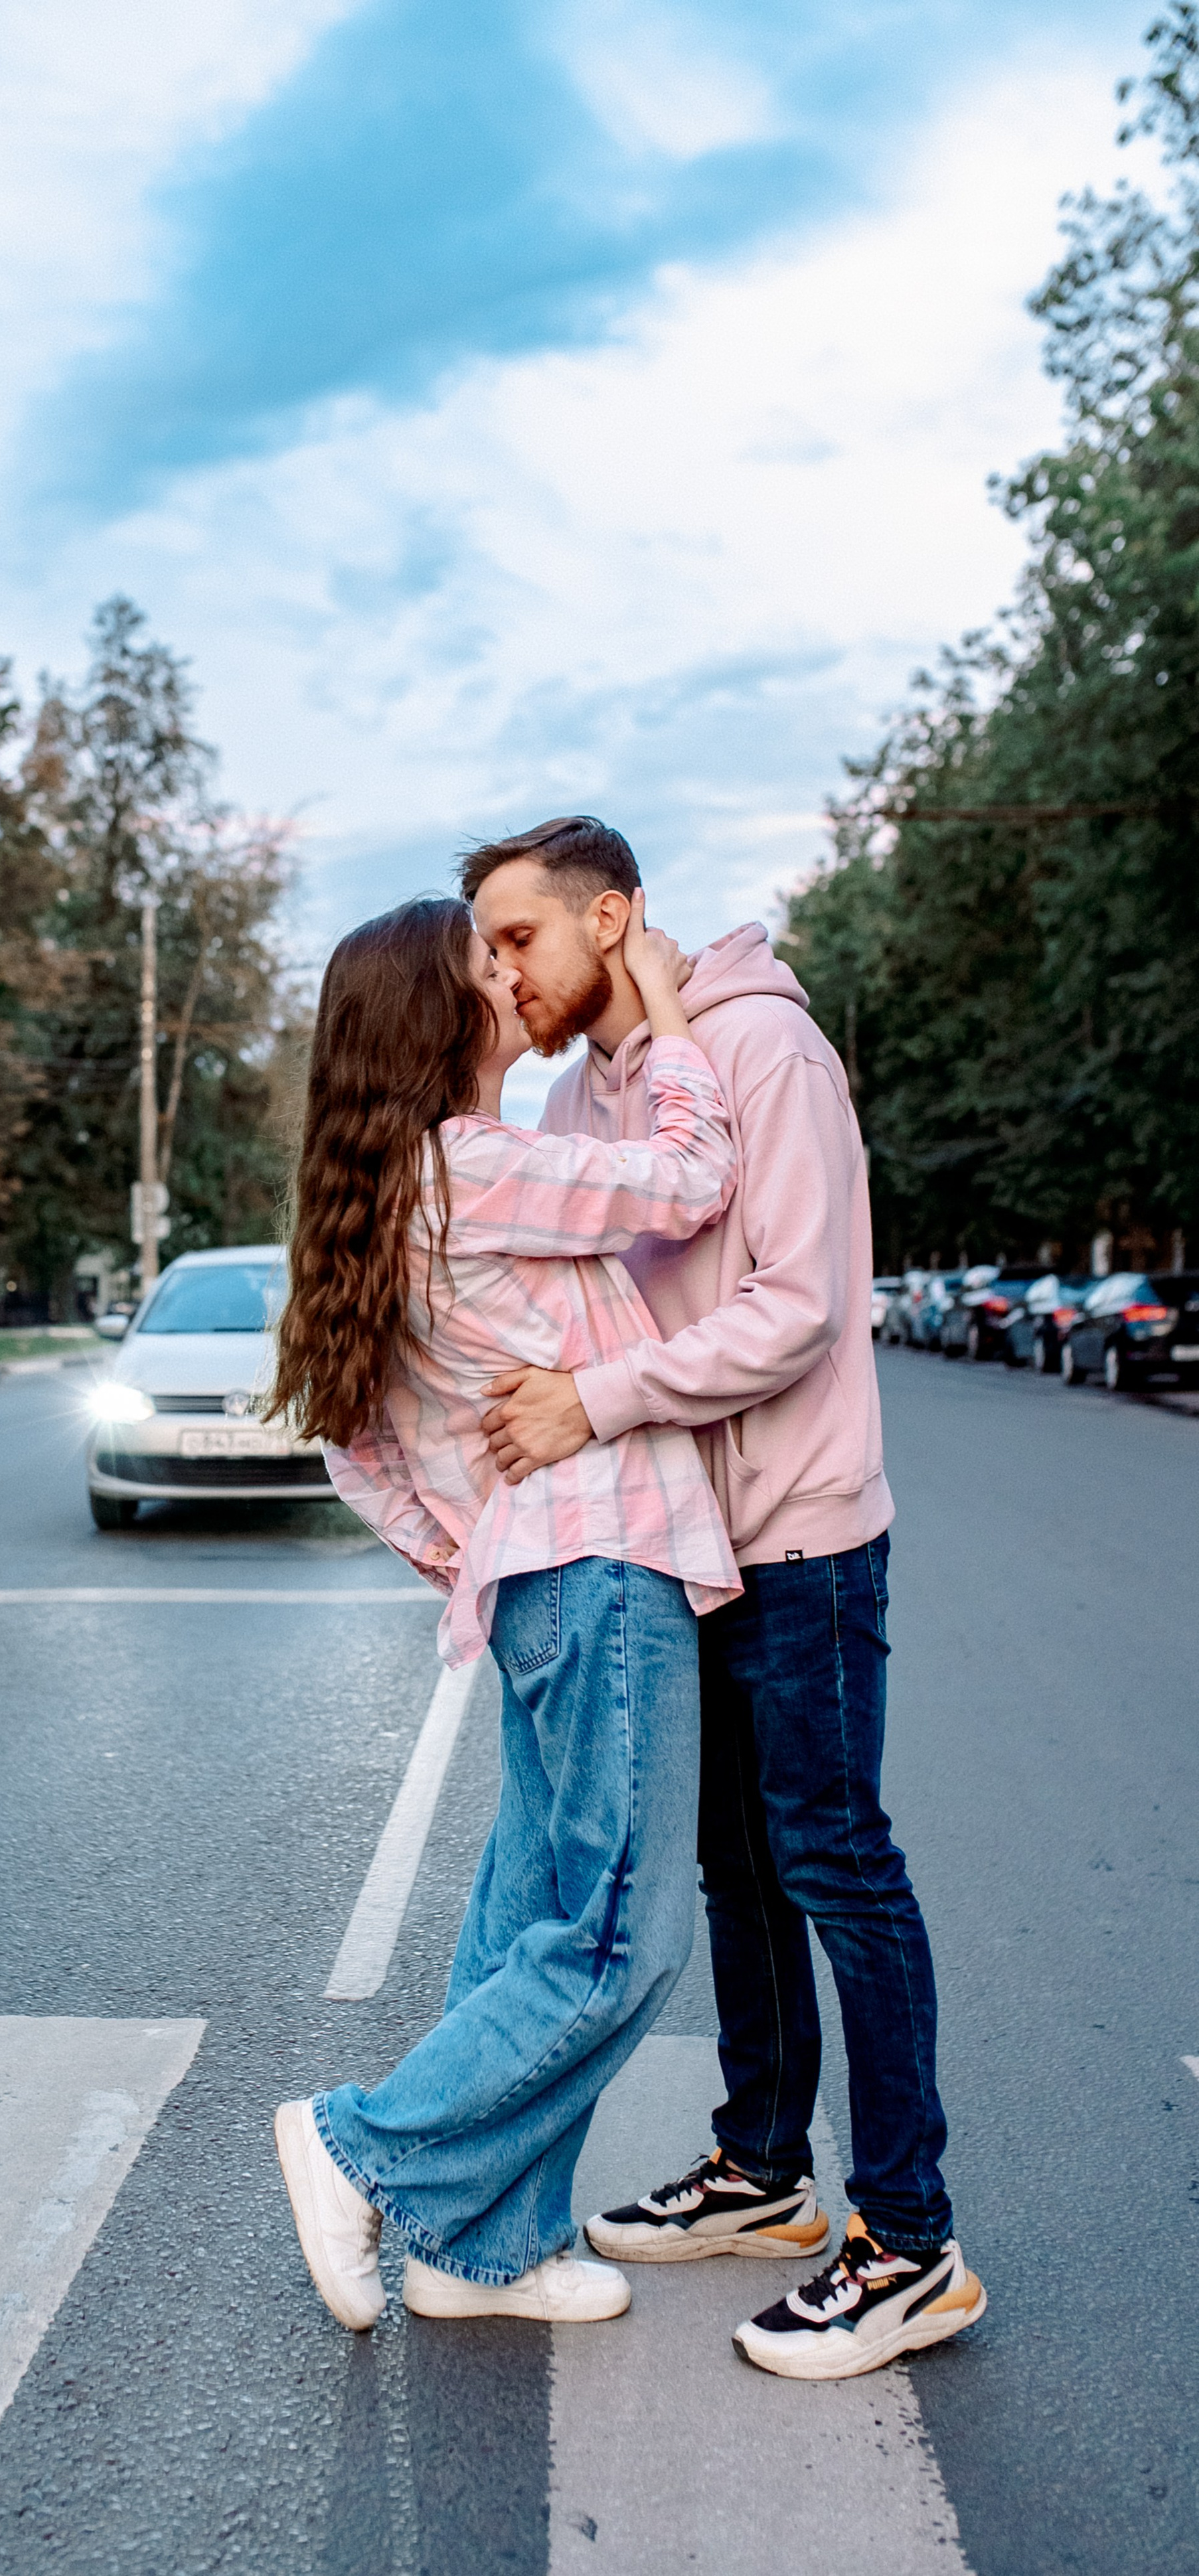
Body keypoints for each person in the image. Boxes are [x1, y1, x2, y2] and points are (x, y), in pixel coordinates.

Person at [469, 814, 986, 2382]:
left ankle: (909, 2242)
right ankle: (763, 2168)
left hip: (801, 1532)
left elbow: (797, 1308)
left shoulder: (765, 1048)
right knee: (734, 1867)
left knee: (834, 1859)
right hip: (680, 1537)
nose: (499, 972)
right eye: (484, 948)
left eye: (516, 938)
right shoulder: (579, 1088)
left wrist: (591, 1402)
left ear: (609, 916)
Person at [268, 889, 740, 2330]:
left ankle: (483, 2249)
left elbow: (354, 1447)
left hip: (542, 1580)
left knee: (534, 1914)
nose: (511, 978)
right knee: (618, 1940)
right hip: (604, 1565)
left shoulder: (390, 1188)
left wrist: (466, 1547)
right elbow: (687, 1178)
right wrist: (669, 1009)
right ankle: (364, 2150)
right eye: (490, 961)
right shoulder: (472, 1163)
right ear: (443, 1011)